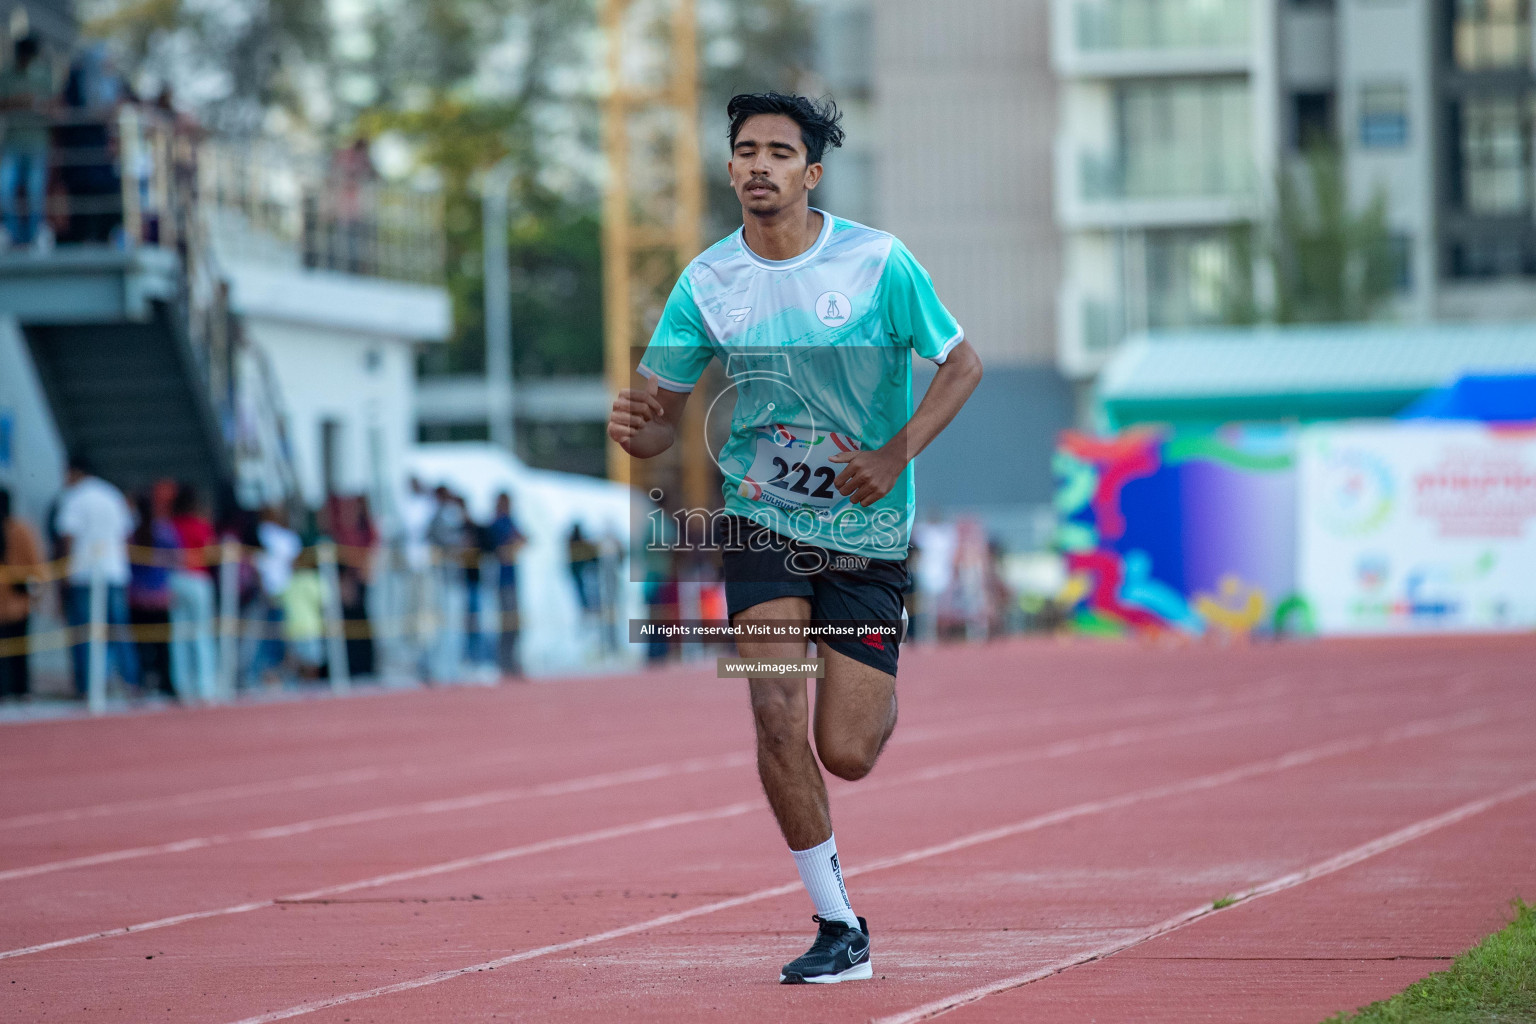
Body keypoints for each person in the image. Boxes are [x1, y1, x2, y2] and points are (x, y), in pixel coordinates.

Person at [607, 92, 983, 983]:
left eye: (780, 152)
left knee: (846, 751)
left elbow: (962, 364)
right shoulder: (706, 281)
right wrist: (643, 429)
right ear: (731, 168)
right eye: (746, 151)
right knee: (773, 710)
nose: (759, 165)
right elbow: (661, 416)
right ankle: (836, 922)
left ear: (811, 173)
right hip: (760, 516)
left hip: (867, 528)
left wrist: (893, 455)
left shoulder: (878, 263)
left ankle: (876, 674)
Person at [54, 455, 140, 697]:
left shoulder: (74, 497)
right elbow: (126, 533)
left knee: (86, 633)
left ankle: (88, 687)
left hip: (84, 574)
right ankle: (131, 682)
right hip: (114, 572)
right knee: (118, 630)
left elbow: (68, 536)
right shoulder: (112, 494)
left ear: (74, 472)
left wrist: (64, 573)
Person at [0, 35, 55, 249]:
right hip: (12, 143)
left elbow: (53, 105)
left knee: (35, 191)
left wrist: (35, 104)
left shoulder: (44, 75)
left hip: (38, 143)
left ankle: (33, 236)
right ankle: (12, 235)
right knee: (5, 189)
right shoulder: (6, 75)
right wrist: (21, 101)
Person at [169, 483, 218, 701]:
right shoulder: (201, 524)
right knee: (201, 633)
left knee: (179, 634)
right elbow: (211, 552)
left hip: (176, 579)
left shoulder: (171, 525)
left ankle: (183, 686)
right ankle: (205, 685)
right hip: (197, 579)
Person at [0, 487, 44, 699]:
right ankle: (20, 689)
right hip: (19, 600)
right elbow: (35, 563)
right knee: (19, 648)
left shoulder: (19, 529)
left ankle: (11, 689)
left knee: (13, 648)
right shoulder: (21, 529)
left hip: (14, 598)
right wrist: (37, 595)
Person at [486, 491, 525, 677]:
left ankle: (511, 661)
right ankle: (504, 663)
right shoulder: (496, 523)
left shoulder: (509, 520)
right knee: (506, 623)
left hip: (512, 579)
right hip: (501, 580)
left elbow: (523, 538)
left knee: (514, 623)